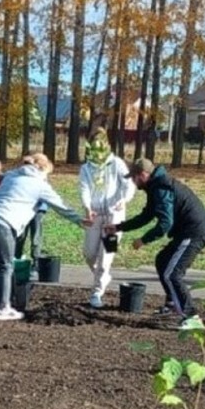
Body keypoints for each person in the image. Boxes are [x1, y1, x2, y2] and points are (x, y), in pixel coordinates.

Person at [0, 152, 85, 320]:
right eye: (48, 174)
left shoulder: (12, 174)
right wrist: (81, 221)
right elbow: (61, 207)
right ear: (43, 170)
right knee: (5, 266)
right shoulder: (39, 185)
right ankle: (3, 308)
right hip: (3, 223)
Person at [113, 158, 205, 328]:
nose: (132, 181)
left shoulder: (161, 188)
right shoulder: (155, 187)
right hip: (188, 231)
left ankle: (192, 318)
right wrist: (118, 227)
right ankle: (172, 304)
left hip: (194, 232)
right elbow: (146, 216)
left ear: (143, 175)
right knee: (162, 260)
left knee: (172, 274)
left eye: (134, 177)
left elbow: (165, 223)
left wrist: (143, 240)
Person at [77, 127, 137, 308]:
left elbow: (129, 184)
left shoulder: (116, 163)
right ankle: (103, 275)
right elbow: (84, 188)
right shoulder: (86, 168)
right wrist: (87, 207)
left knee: (106, 256)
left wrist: (123, 200)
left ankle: (97, 292)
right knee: (89, 254)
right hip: (94, 216)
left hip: (114, 217)